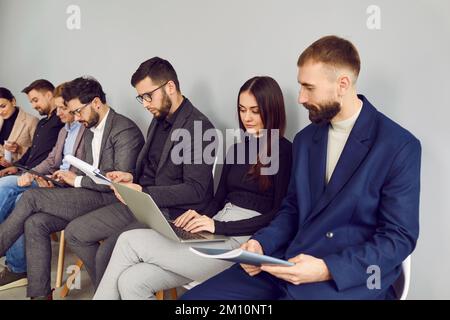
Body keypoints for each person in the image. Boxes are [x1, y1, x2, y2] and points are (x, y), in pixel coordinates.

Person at [181, 35, 421, 300]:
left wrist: (326, 269)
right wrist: (262, 243)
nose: (300, 98)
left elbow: (397, 239)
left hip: (346, 282)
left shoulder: (398, 146)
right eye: (300, 86)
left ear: (342, 84)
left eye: (309, 88)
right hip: (285, 263)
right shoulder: (306, 140)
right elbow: (292, 208)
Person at [93, 76, 292, 300]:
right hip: (215, 229)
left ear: (272, 110)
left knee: (128, 241)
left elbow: (277, 215)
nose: (247, 117)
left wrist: (218, 226)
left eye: (255, 111)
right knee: (131, 281)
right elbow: (219, 199)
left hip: (243, 240)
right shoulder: (237, 148)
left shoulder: (284, 152)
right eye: (242, 109)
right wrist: (197, 219)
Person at [64, 57, 216, 290]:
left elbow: (196, 190)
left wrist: (144, 191)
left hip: (169, 213)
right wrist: (130, 178)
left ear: (170, 87)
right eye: (141, 98)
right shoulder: (159, 119)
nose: (144, 104)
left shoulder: (199, 127)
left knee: (108, 251)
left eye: (148, 96)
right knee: (75, 232)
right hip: (140, 203)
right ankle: (109, 292)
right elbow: (151, 169)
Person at [0, 76, 144, 299]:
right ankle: (40, 295)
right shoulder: (88, 129)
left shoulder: (125, 130)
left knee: (30, 198)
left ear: (96, 103)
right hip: (84, 195)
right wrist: (57, 181)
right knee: (35, 222)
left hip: (111, 200)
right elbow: (84, 169)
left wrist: (74, 180)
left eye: (78, 111)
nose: (76, 118)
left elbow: (116, 185)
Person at [0, 83, 86, 291]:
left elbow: (83, 169)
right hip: (47, 177)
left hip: (68, 186)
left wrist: (46, 177)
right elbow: (50, 159)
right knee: (11, 191)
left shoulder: (85, 129)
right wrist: (31, 173)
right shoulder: (65, 129)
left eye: (62, 108)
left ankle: (17, 267)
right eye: (57, 108)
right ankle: (18, 267)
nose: (58, 113)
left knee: (12, 192)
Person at [0, 79, 63, 177]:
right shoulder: (42, 123)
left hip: (36, 174)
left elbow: (55, 157)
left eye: (35, 100)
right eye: (31, 102)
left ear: (49, 95)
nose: (33, 106)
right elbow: (32, 150)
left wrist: (28, 173)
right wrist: (16, 167)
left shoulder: (61, 121)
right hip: (24, 170)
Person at [0, 87, 38, 169]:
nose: (0, 112)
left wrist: (19, 149)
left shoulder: (31, 121)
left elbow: (38, 151)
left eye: (3, 106)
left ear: (13, 101)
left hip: (18, 170)